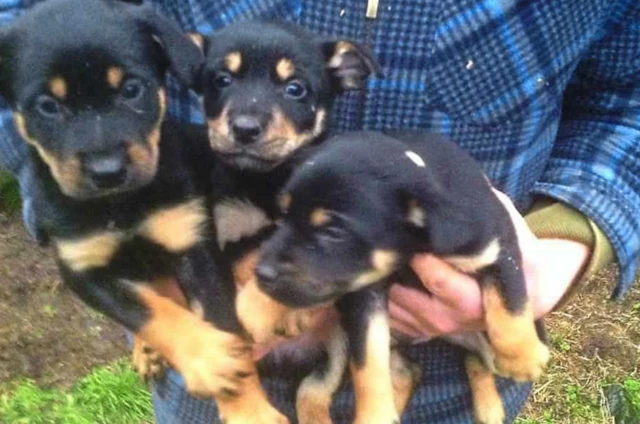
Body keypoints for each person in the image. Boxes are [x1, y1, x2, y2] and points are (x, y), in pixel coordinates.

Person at [1, 0, 639, 422]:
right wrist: (64, 197)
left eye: (293, 88)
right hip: (212, 370)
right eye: (219, 81)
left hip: (444, 374)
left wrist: (562, 244)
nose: (250, 118)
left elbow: (628, 100)